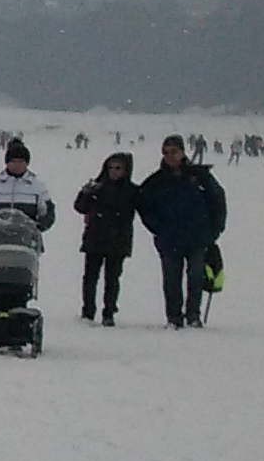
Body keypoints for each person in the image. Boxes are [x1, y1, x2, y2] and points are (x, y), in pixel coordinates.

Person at [135, 136, 227, 327]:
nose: (170, 156)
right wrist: (158, 228)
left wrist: (214, 230)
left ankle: (193, 315)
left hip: (198, 238)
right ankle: (174, 317)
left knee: (196, 278)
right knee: (171, 281)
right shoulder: (156, 181)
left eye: (174, 151)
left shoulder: (200, 176)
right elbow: (143, 205)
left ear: (183, 152)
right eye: (166, 152)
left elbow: (218, 200)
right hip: (170, 239)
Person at [72, 151, 136, 323]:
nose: (114, 171)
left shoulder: (131, 191)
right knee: (90, 277)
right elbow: (80, 207)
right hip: (95, 238)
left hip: (118, 240)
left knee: (112, 279)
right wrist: (85, 193)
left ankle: (109, 311)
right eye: (111, 168)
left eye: (118, 168)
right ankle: (88, 310)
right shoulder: (97, 187)